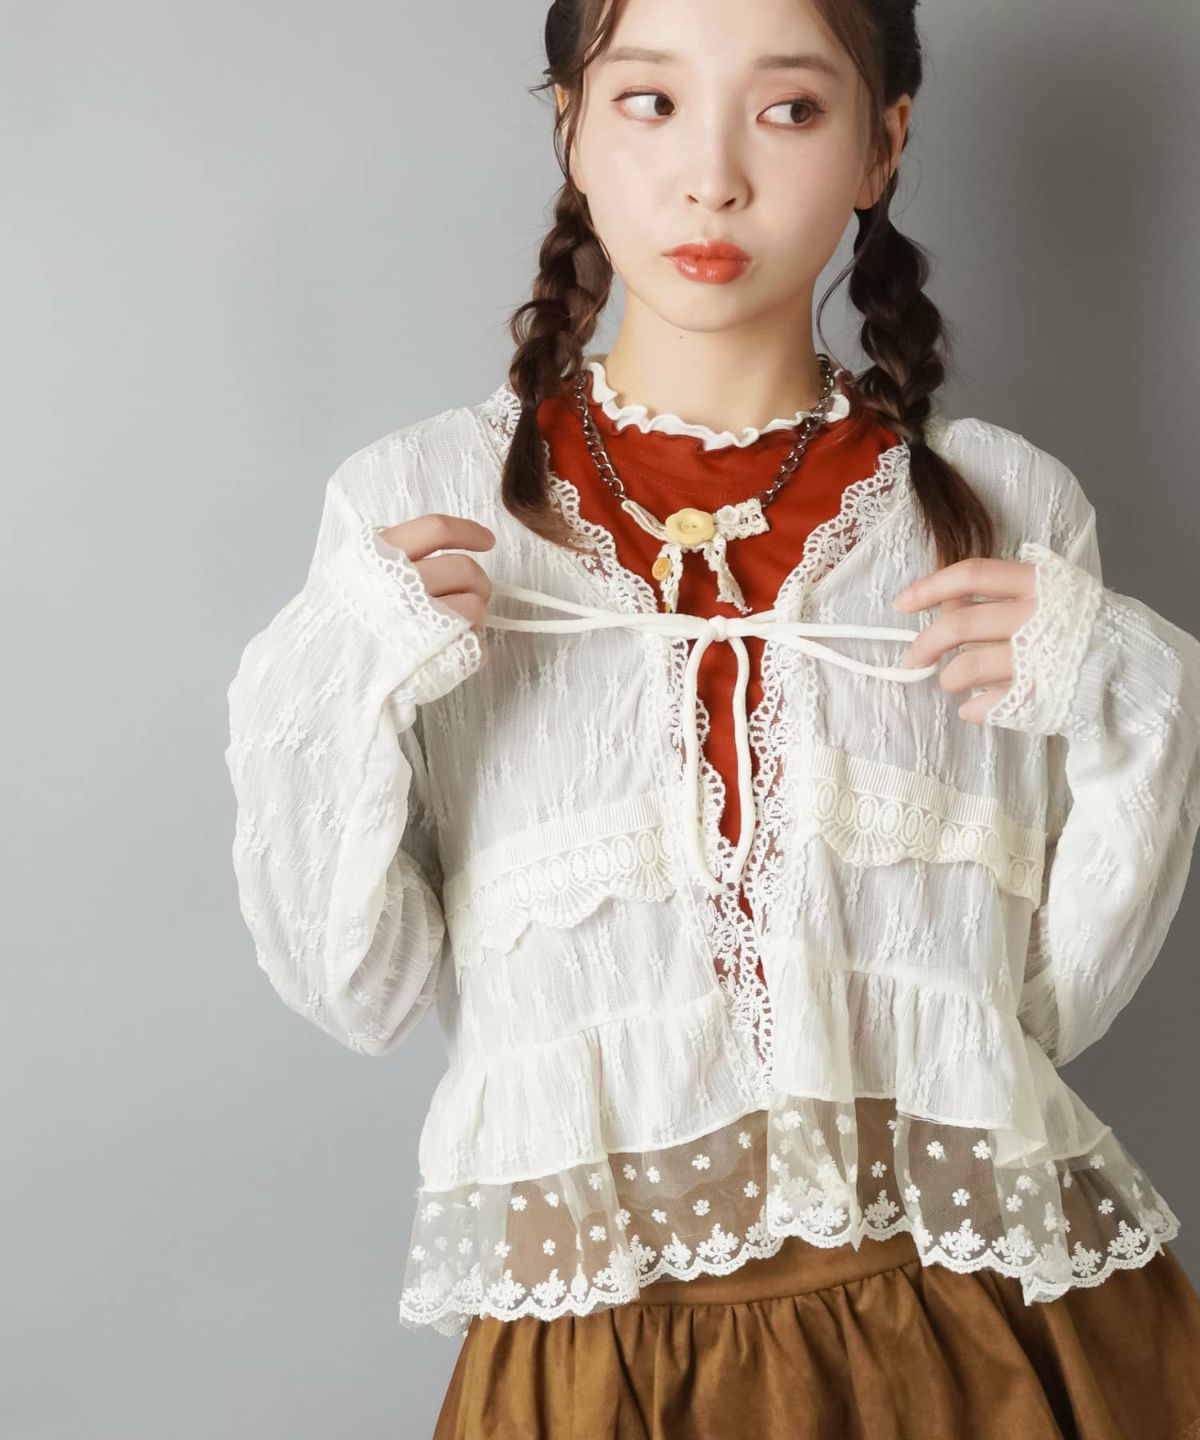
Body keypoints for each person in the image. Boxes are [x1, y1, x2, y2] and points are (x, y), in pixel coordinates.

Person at [224, 0, 1200, 1434]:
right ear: (571, 125)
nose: (713, 178)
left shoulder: (1004, 509)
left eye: (789, 109)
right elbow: (355, 982)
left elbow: (1047, 1005)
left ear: (883, 146)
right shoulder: (418, 506)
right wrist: (341, 675)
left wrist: (1131, 692)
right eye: (652, 102)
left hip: (981, 1330)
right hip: (598, 1353)